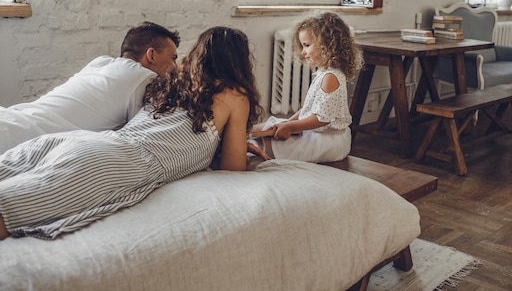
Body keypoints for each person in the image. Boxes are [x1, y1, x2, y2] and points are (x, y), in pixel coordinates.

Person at [0, 26, 268, 240]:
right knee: (11, 210)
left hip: (85, 141)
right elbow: (233, 170)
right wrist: (235, 143)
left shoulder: (172, 84)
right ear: (239, 63)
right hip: (119, 162)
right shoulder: (236, 95)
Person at [0, 21, 180, 154]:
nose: (175, 67)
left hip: (14, 118)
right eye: (173, 58)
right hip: (20, 140)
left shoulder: (100, 62)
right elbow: (141, 136)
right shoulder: (143, 77)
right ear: (151, 55)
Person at [251, 12, 362, 163]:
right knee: (268, 126)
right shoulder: (323, 73)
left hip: (328, 142)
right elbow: (308, 109)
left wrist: (291, 127)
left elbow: (322, 119)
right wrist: (289, 122)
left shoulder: (331, 77)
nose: (303, 52)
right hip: (319, 135)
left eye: (307, 45)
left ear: (327, 46)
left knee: (268, 143)